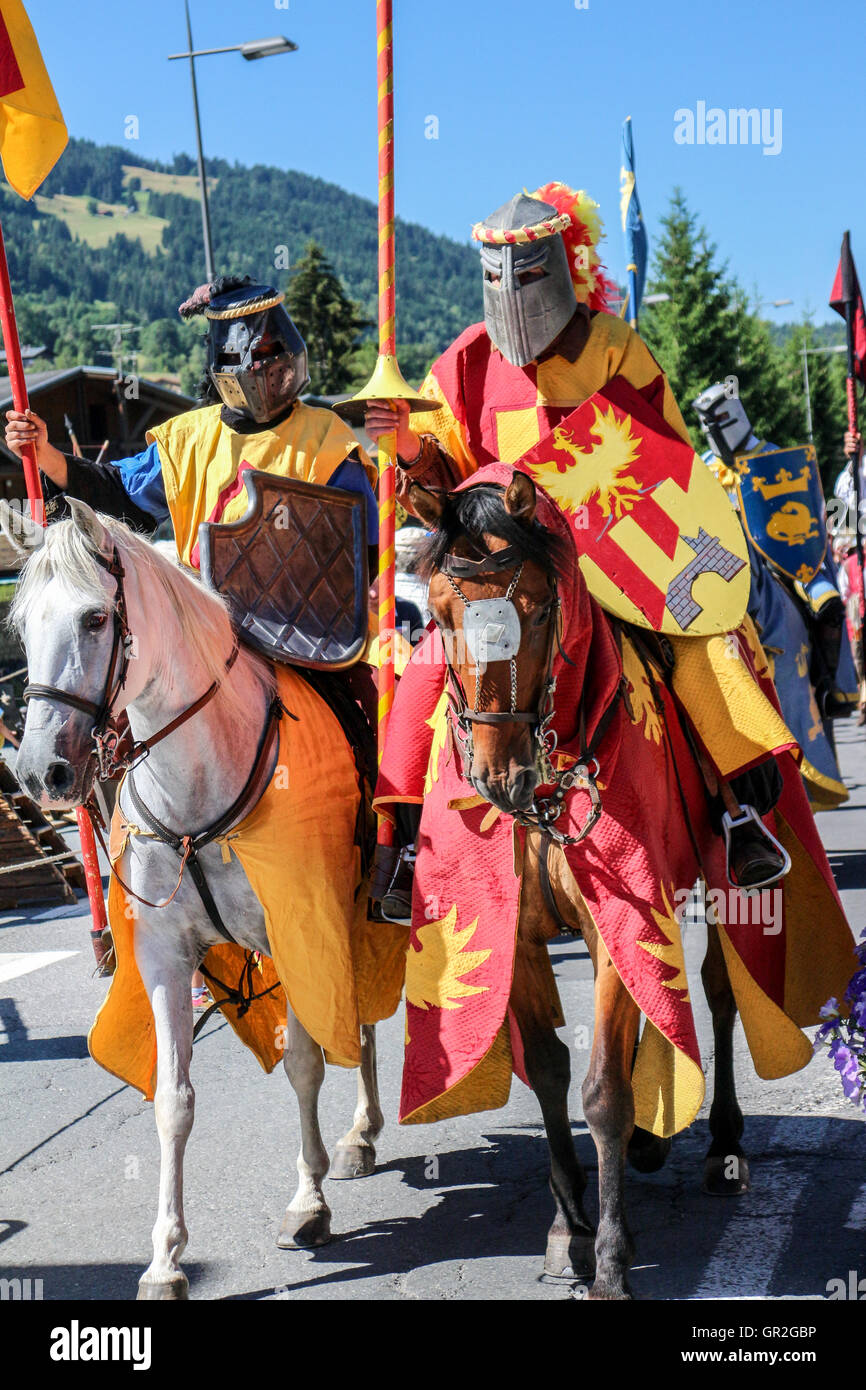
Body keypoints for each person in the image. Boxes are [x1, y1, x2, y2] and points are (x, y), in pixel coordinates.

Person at [366, 183, 789, 896]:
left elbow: (669, 465)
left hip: (616, 569)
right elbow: (447, 486)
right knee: (428, 669)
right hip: (508, 582)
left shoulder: (615, 347)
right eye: (498, 272)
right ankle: (408, 846)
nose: (512, 289)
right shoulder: (461, 365)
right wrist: (409, 447)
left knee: (695, 651)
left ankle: (738, 808)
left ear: (561, 264)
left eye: (528, 271)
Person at [5, 275, 379, 568]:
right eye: (253, 352)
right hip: (206, 625)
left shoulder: (328, 439)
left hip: (306, 627)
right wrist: (44, 453)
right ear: (226, 359)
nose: (265, 364)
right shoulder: (188, 439)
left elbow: (365, 550)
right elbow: (117, 493)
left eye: (272, 349)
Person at [693, 382, 856, 799]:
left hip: (784, 564)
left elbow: (809, 522)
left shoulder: (774, 458)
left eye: (719, 421)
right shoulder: (704, 468)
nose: (714, 431)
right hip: (727, 570)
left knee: (828, 605)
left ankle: (835, 685)